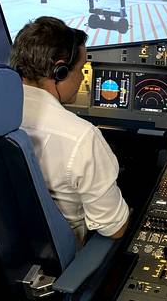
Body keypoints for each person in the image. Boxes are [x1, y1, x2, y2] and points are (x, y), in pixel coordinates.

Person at [10, 16, 129, 248]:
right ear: (60, 71)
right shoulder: (81, 137)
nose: (84, 77)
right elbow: (114, 229)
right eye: (82, 68)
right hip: (66, 254)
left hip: (11, 247)